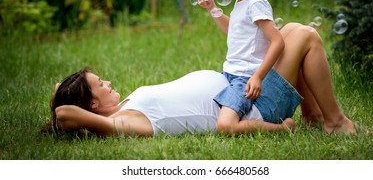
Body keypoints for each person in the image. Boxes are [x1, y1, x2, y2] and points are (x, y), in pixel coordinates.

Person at [41, 23, 356, 137]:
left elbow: (63, 99)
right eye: (101, 85)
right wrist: (68, 106)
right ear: (93, 104)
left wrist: (68, 90)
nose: (108, 82)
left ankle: (314, 117)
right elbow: (64, 113)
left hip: (241, 92)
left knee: (285, 34)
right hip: (255, 109)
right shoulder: (124, 123)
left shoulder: (123, 106)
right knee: (304, 35)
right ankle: (334, 120)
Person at [197, 0, 285, 133]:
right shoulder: (241, 3)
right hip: (229, 75)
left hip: (244, 78)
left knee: (225, 126)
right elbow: (233, 30)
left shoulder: (256, 3)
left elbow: (277, 41)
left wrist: (258, 76)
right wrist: (212, 8)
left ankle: (283, 128)